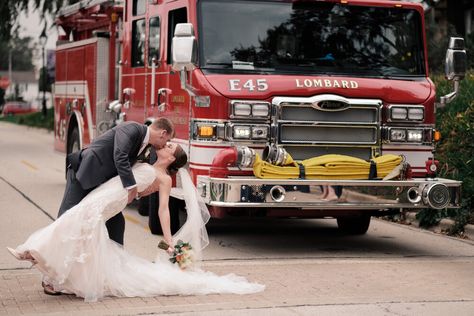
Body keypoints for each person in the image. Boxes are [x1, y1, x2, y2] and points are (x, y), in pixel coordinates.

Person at [7, 144, 264, 302]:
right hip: (107, 192)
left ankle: (32, 253)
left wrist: (169, 240)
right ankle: (50, 267)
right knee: (79, 227)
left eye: (169, 147)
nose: (165, 146)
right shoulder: (147, 160)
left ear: (171, 159)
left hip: (112, 199)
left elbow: (164, 210)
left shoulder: (163, 179)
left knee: (75, 222)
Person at [59, 118, 174, 246]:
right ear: (163, 133)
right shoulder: (132, 128)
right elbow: (120, 155)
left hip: (104, 182)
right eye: (167, 140)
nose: (165, 144)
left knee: (117, 223)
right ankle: (42, 250)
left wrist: (142, 190)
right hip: (86, 170)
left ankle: (116, 259)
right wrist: (132, 187)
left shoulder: (146, 144)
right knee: (67, 215)